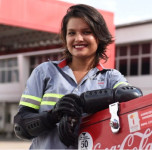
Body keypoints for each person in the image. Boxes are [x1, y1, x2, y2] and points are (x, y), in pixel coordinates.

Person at [13, 4, 143, 149]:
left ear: (99, 36)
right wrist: (54, 115)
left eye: (86, 32)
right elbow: (20, 127)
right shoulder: (44, 72)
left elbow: (132, 95)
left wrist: (81, 103)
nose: (78, 38)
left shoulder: (111, 78)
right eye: (71, 33)